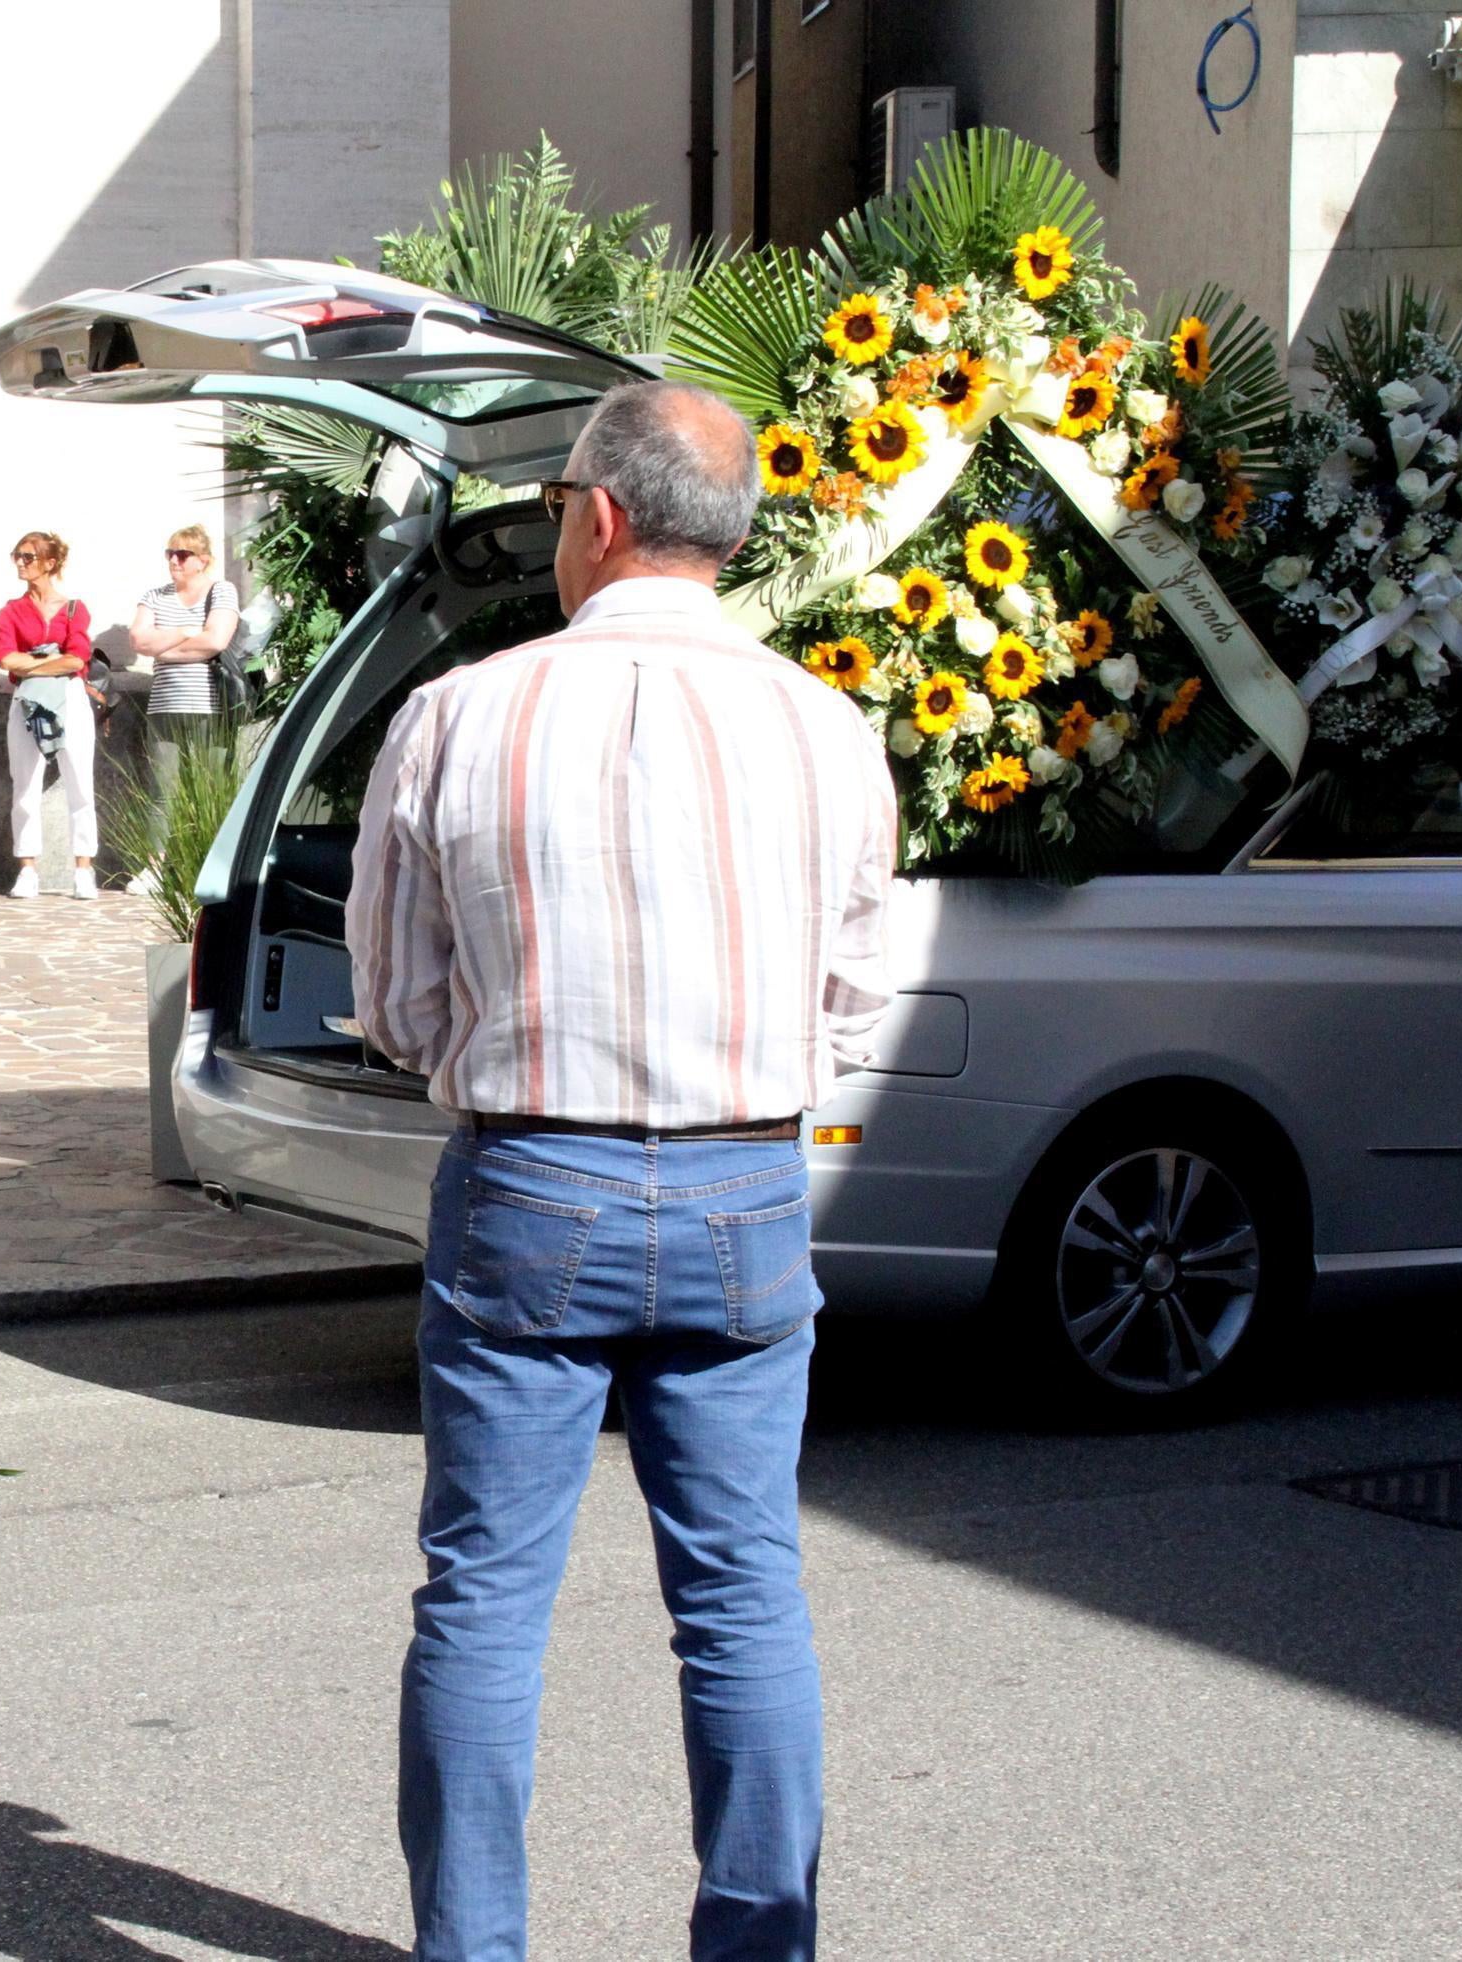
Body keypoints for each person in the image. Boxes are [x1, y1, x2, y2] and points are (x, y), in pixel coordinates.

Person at [349, 382, 896, 1961]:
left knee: (483, 1600)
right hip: (742, 1186)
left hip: (532, 1178)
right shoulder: (824, 720)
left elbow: (392, 1003)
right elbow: (857, 994)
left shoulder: (463, 711)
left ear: (597, 516)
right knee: (742, 1596)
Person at [0, 530, 98, 900]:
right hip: (26, 701)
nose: (20, 563)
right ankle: (27, 868)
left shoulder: (74, 608)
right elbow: (6, 658)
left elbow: (78, 658)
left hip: (70, 697)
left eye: (28, 557)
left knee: (80, 783)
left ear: (50, 563)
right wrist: (53, 662)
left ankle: (83, 868)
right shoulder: (11, 610)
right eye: (17, 556)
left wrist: (33, 662)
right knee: (24, 786)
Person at [127, 524, 239, 780]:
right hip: (164, 707)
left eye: (183, 554)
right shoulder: (154, 596)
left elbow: (215, 641)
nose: (174, 560)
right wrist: (186, 632)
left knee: (210, 789)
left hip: (210, 707)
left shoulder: (221, 590)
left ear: (203, 561)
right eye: (170, 554)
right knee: (162, 794)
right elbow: (139, 641)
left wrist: (162, 649)